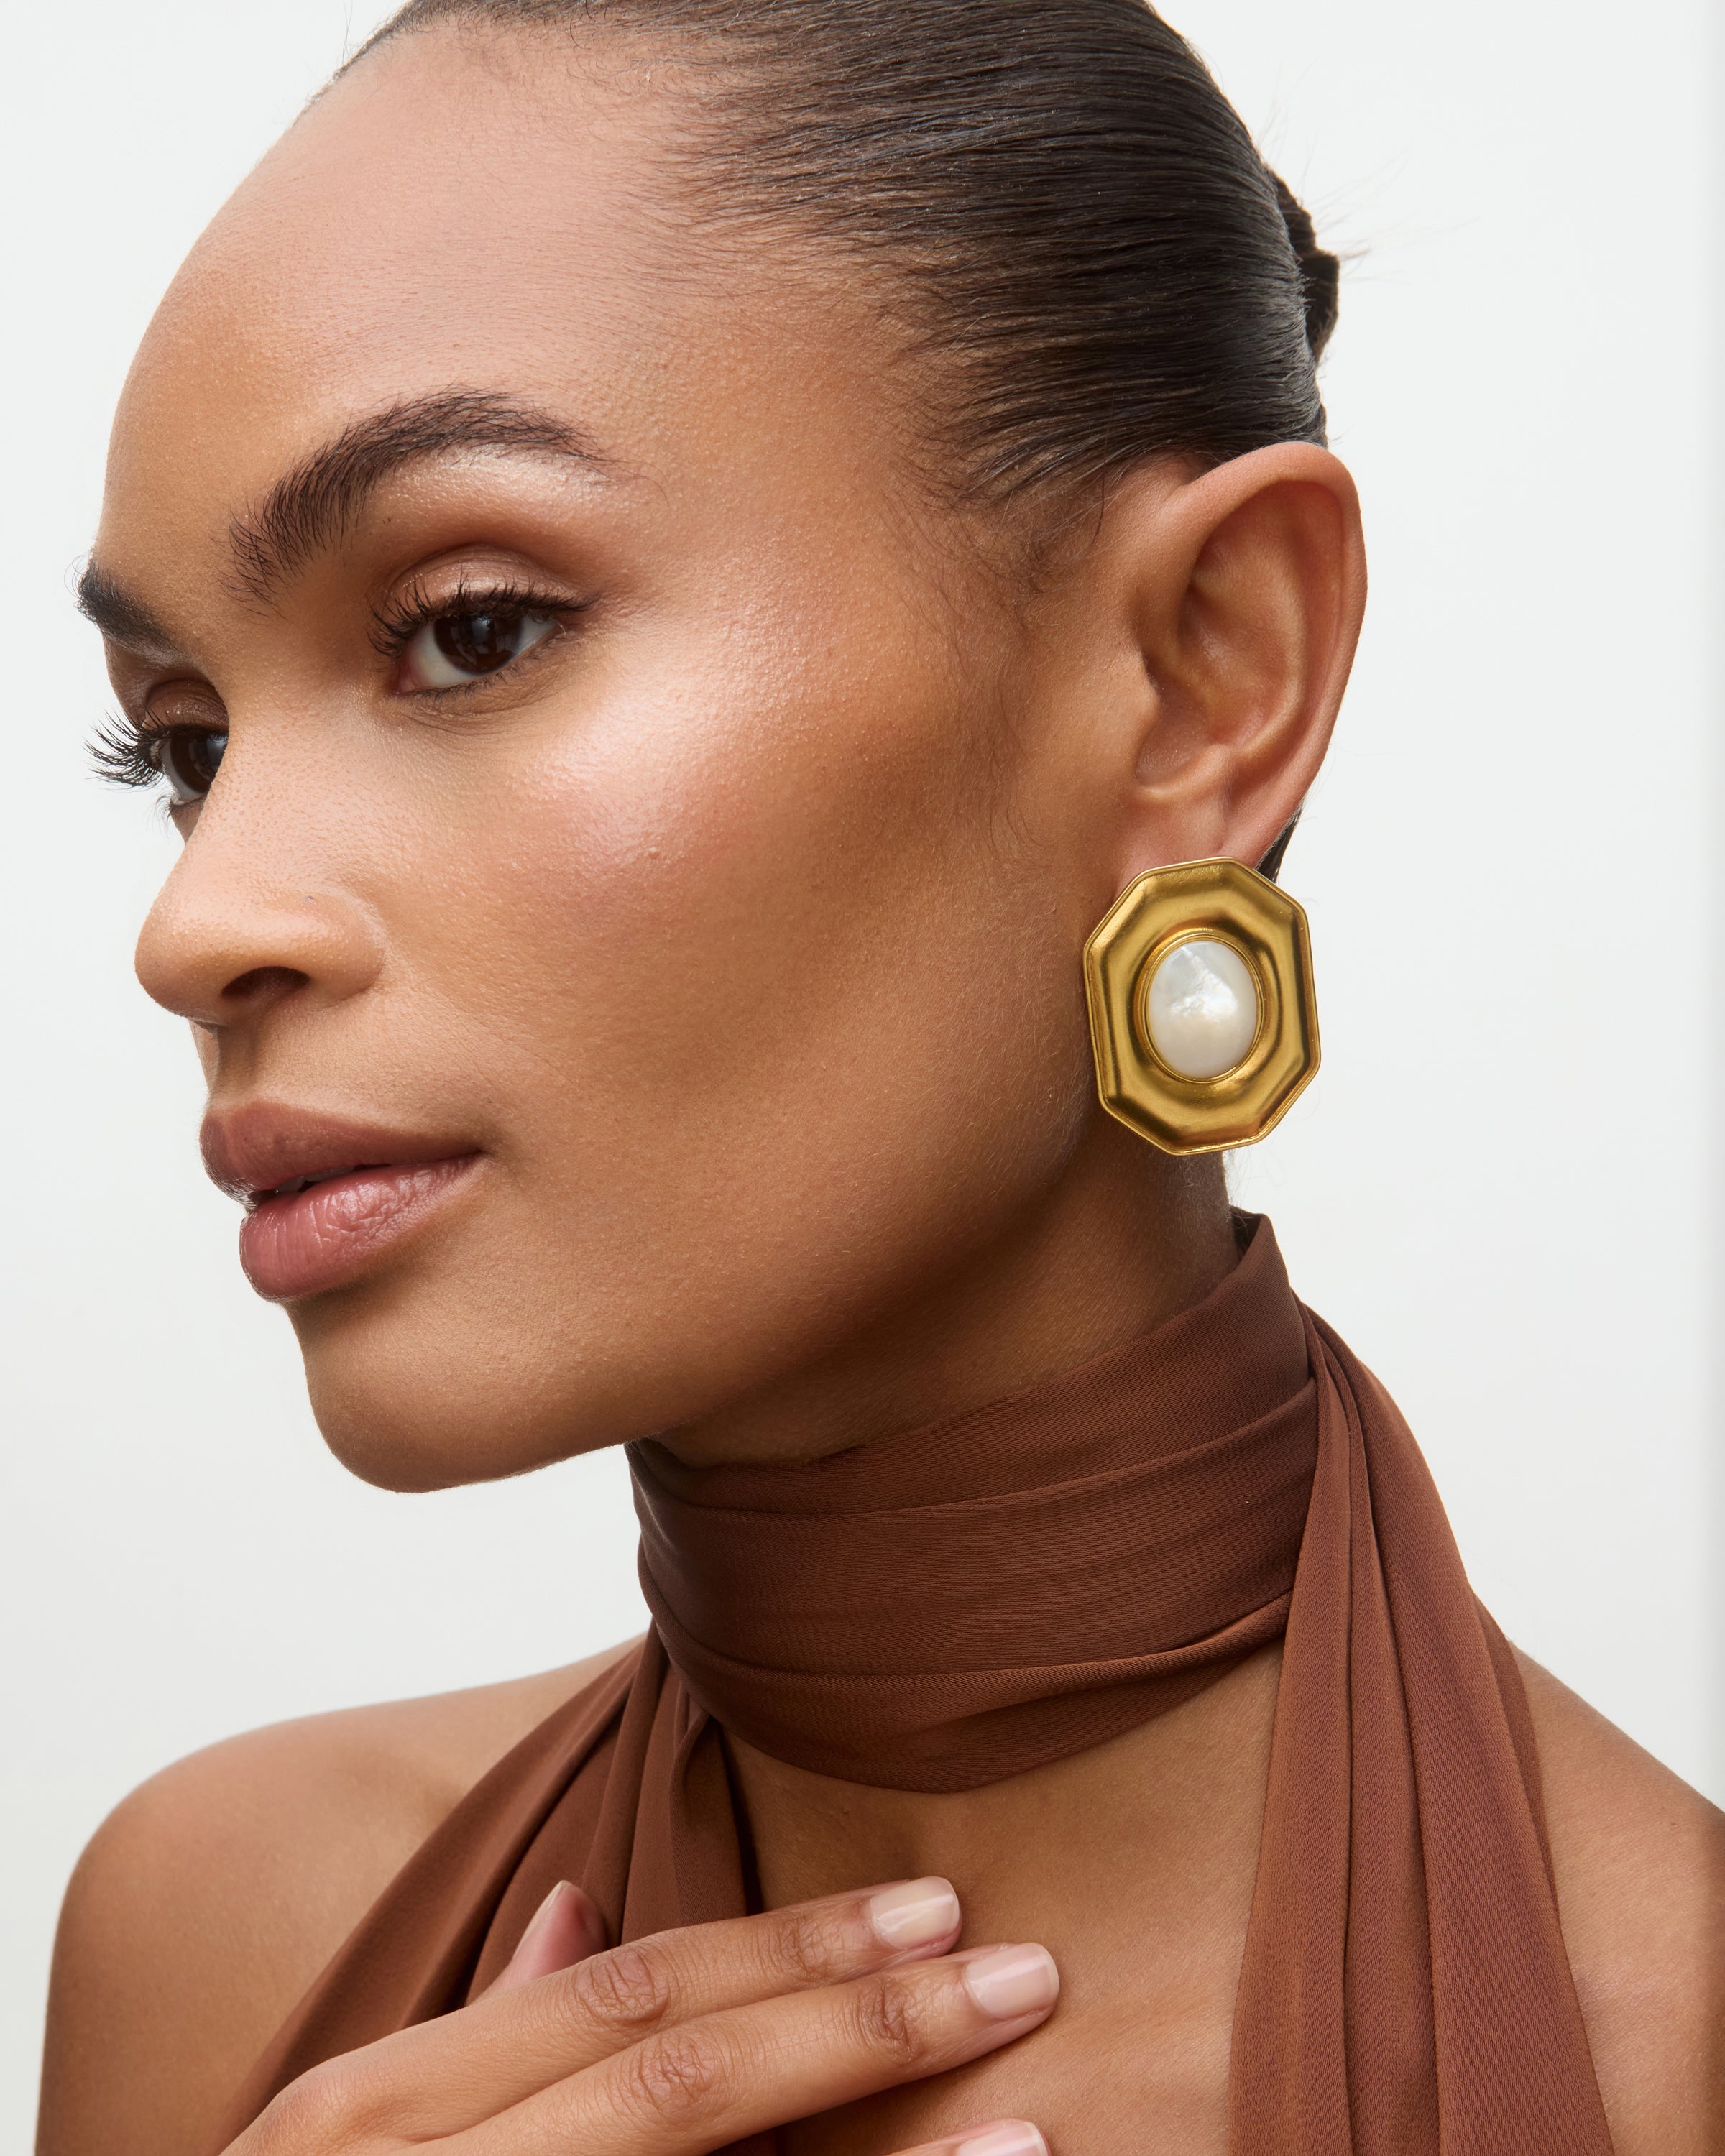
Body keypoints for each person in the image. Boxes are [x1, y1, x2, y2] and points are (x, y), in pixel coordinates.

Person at [37, 3, 1722, 2152]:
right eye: (184, 749)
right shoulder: (229, 1952)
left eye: (469, 626)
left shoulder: (1673, 2054)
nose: (197, 926)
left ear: (1209, 677)